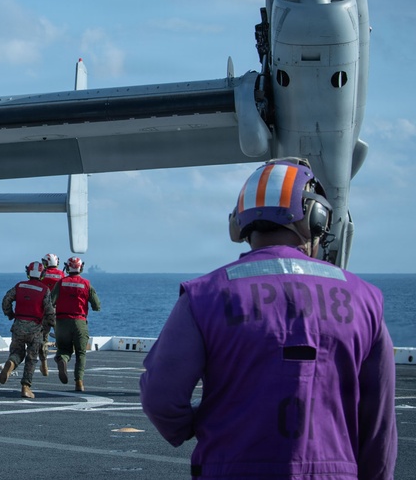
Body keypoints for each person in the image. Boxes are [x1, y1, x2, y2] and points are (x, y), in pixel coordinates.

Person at [139, 158, 397, 479]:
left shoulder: (202, 296)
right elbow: (379, 424)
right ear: (316, 219)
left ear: (241, 224)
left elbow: (160, 397)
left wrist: (195, 427)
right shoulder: (366, 300)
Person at [0, 261, 56, 399]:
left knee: (17, 352)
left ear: (28, 272)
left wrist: (10, 314)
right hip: (35, 328)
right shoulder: (44, 290)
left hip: (18, 325)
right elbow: (49, 311)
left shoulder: (19, 286)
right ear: (42, 274)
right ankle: (25, 387)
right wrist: (54, 325)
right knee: (31, 358)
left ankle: (11, 363)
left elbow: (6, 300)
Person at [50, 256, 100, 392]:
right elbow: (96, 305)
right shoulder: (86, 284)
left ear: (67, 267)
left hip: (61, 322)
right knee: (81, 353)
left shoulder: (61, 283)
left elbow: (50, 302)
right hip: (80, 322)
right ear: (81, 268)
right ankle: (79, 382)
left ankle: (63, 360)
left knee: (64, 349)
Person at [37, 252, 64, 375]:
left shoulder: (42, 275)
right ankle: (61, 359)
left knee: (43, 338)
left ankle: (44, 364)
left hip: (44, 310)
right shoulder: (62, 275)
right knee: (62, 337)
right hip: (58, 310)